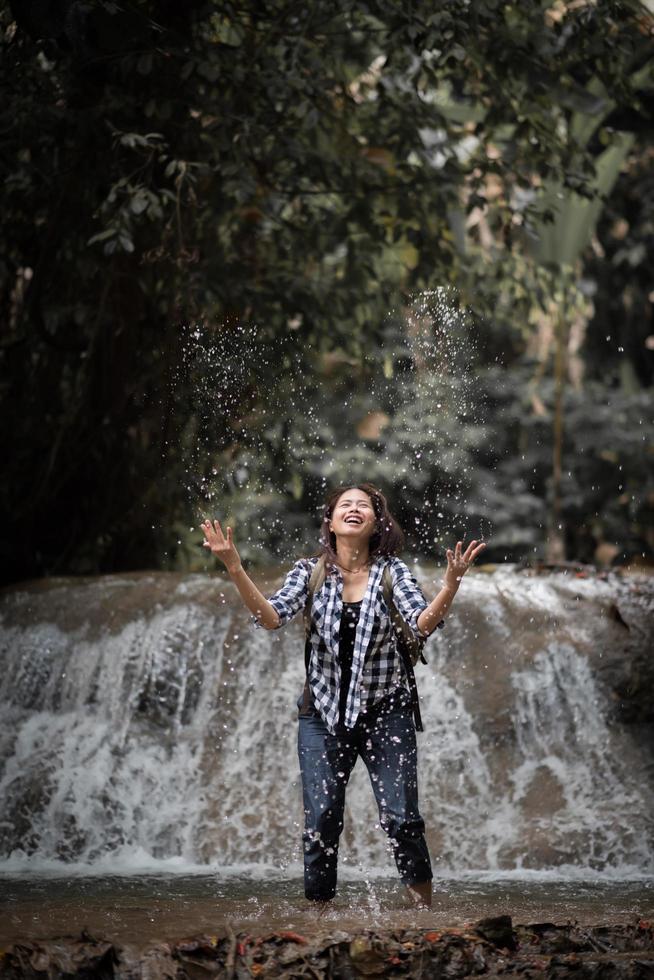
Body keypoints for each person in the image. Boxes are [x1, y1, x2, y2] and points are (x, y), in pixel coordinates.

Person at [201, 482, 485, 908]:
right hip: (322, 713)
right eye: (344, 505)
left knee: (402, 820)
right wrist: (234, 566)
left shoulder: (394, 573)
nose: (354, 509)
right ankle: (319, 918)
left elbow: (422, 623)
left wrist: (450, 585)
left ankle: (424, 914)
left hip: (387, 712)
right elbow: (272, 616)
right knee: (320, 821)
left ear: (376, 522)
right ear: (331, 523)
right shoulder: (309, 572)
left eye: (364, 505)